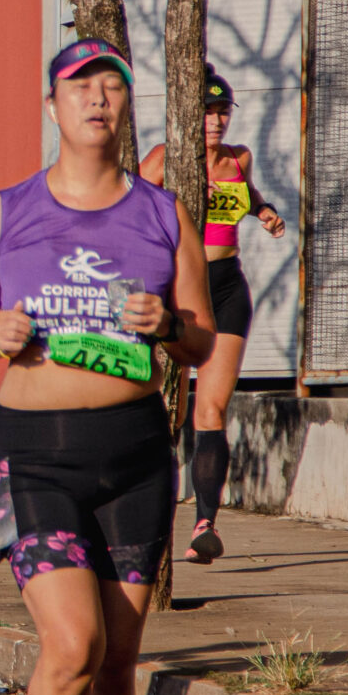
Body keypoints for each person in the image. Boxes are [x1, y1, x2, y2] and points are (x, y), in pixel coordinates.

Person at [0, 39, 212, 695]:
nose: (98, 97)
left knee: (118, 663)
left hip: (134, 461)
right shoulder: (6, 210)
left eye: (112, 85)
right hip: (35, 460)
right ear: (52, 105)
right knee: (73, 641)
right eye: (79, 84)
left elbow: (203, 333)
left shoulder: (164, 215)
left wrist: (165, 322)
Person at [139, 63, 285, 561]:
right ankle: (143, 516)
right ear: (188, 114)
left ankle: (205, 526)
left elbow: (245, 195)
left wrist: (262, 211)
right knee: (164, 411)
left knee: (211, 409)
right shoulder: (164, 159)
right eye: (208, 113)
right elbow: (128, 207)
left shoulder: (238, 159)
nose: (217, 122)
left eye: (223, 112)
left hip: (226, 287)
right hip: (177, 291)